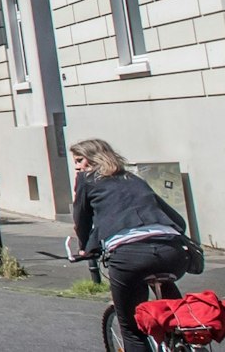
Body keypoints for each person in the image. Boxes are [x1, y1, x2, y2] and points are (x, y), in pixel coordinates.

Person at [70, 139, 188, 352]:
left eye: (79, 160)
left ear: (93, 158)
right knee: (173, 307)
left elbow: (82, 220)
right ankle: (181, 336)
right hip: (172, 251)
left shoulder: (86, 180)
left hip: (129, 256)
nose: (77, 167)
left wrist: (84, 247)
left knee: (132, 330)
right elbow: (177, 220)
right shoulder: (133, 179)